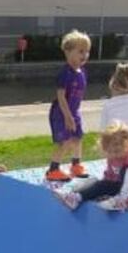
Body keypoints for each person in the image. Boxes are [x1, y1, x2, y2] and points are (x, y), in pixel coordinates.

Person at [56, 122, 128, 211]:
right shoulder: (113, 156)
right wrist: (103, 187)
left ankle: (120, 201)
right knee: (100, 183)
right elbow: (110, 176)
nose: (114, 154)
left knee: (127, 171)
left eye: (118, 150)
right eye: (111, 151)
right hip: (125, 186)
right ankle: (76, 197)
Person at [45, 30, 92, 181]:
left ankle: (76, 164)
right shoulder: (66, 73)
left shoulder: (82, 71)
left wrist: (74, 114)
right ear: (68, 51)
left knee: (77, 138)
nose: (84, 55)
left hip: (74, 112)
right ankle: (53, 169)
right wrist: (67, 116)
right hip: (61, 112)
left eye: (87, 51)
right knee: (64, 141)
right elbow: (61, 96)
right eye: (80, 51)